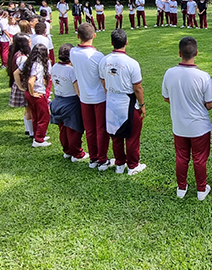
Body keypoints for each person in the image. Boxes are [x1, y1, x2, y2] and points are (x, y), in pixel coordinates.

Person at [161, 36, 212, 201]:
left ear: (179, 53)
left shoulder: (170, 73)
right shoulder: (203, 76)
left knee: (181, 156)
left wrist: (179, 101)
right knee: (199, 158)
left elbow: (166, 97)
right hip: (199, 126)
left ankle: (181, 187)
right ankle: (201, 189)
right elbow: (210, 104)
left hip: (179, 124)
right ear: (197, 53)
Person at [99, 29, 148, 175]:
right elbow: (137, 87)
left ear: (112, 43)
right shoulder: (132, 63)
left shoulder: (104, 60)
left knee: (116, 134)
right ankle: (132, 165)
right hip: (127, 101)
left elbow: (103, 80)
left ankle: (120, 163)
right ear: (126, 42)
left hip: (111, 99)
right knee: (132, 135)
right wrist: (142, 105)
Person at [69, 23, 113, 171]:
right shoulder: (98, 56)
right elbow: (103, 78)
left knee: (90, 129)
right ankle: (102, 159)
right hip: (99, 96)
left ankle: (93, 158)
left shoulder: (73, 52)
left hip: (84, 97)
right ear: (94, 35)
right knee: (101, 129)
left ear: (78, 36)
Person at [50, 43, 88, 162]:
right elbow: (78, 90)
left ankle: (67, 150)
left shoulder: (54, 66)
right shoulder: (71, 71)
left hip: (57, 100)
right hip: (71, 102)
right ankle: (77, 153)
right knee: (73, 129)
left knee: (63, 129)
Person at [17, 43, 52, 148]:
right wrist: (33, 92)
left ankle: (36, 135)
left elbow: (16, 73)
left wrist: (22, 88)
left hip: (28, 93)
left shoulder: (29, 62)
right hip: (37, 93)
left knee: (36, 116)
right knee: (44, 116)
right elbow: (31, 81)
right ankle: (39, 139)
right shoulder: (39, 66)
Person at [7, 33, 32, 137]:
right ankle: (32, 132)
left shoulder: (15, 54)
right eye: (29, 42)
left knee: (27, 109)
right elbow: (18, 73)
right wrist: (21, 86)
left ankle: (28, 128)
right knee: (29, 109)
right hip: (23, 84)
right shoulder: (22, 58)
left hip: (19, 84)